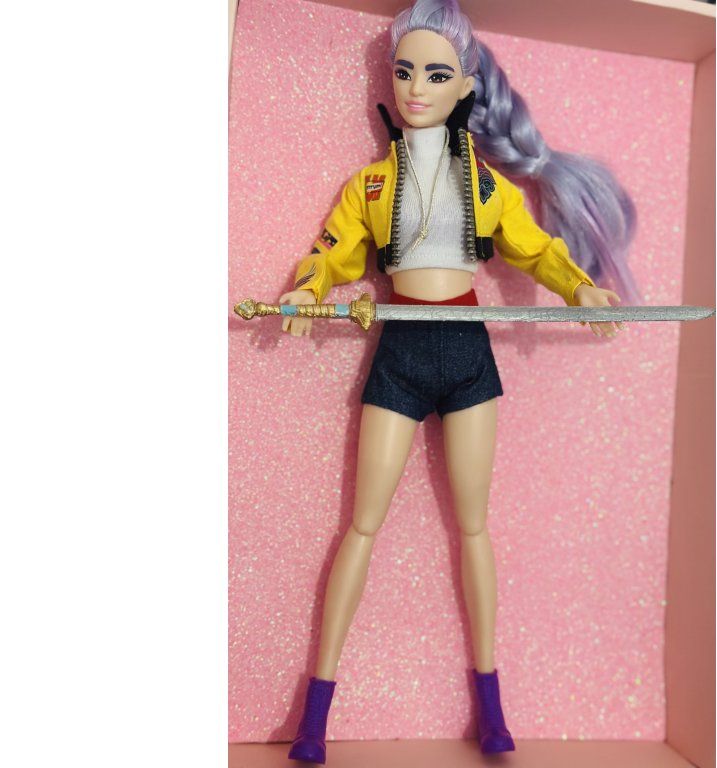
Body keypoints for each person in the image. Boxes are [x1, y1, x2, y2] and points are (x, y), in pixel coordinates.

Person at [281, 1, 638, 762]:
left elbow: (535, 248)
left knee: (473, 527)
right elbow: (333, 252)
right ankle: (314, 716)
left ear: (466, 85)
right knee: (363, 523)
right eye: (404, 71)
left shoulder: (487, 187)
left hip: (468, 350)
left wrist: (579, 288)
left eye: (436, 74)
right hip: (401, 350)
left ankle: (491, 706)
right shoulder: (370, 187)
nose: (416, 88)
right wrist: (308, 288)